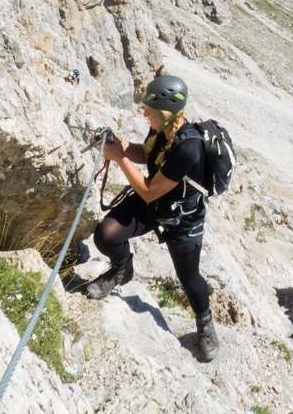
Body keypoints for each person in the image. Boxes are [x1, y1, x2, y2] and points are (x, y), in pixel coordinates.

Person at [85, 74, 219, 361]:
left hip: (181, 219)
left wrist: (118, 158)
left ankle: (205, 323)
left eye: (148, 109)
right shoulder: (160, 131)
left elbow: (147, 191)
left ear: (165, 113)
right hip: (157, 206)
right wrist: (119, 145)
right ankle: (122, 269)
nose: (143, 112)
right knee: (106, 235)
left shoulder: (189, 147)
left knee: (189, 278)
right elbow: (146, 156)